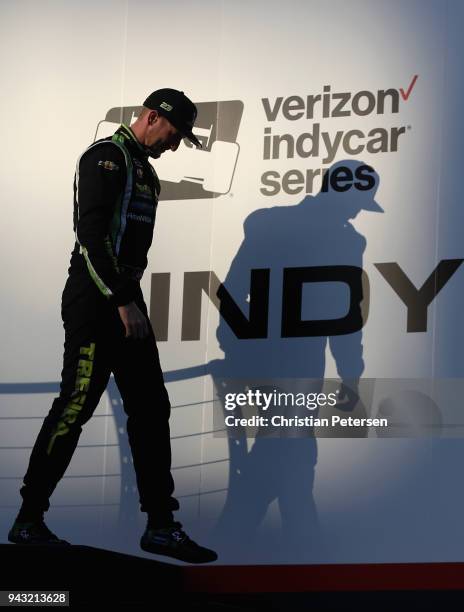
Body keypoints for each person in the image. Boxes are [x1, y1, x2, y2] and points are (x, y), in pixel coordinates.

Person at [8, 88, 217, 564]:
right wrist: (122, 300)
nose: (177, 144)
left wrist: (129, 298)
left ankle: (161, 525)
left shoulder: (146, 171)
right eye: (175, 133)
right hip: (95, 297)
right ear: (150, 117)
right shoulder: (106, 157)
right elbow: (91, 235)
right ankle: (28, 519)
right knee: (77, 402)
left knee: (151, 407)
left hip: (126, 297)